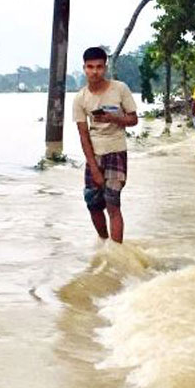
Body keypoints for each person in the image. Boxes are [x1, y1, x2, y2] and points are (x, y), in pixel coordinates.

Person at [73, 46, 138, 243]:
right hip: (95, 153)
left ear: (105, 67)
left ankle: (116, 252)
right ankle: (104, 244)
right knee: (92, 204)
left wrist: (113, 118)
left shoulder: (120, 89)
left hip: (117, 151)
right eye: (90, 67)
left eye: (99, 67)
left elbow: (133, 119)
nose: (95, 71)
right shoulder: (80, 98)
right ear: (84, 68)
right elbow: (83, 135)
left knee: (113, 204)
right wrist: (93, 167)